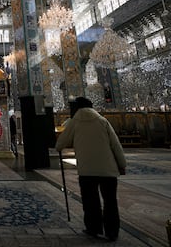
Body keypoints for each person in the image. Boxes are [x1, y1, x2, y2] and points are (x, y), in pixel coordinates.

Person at [55, 97, 126, 242]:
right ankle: (112, 232)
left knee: (90, 200)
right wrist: (122, 164)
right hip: (108, 170)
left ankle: (94, 228)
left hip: (87, 171)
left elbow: (61, 142)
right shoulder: (102, 121)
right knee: (110, 202)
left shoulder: (75, 122)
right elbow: (116, 145)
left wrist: (59, 147)